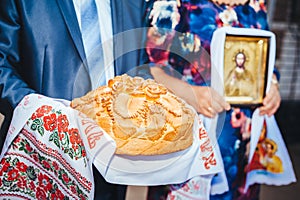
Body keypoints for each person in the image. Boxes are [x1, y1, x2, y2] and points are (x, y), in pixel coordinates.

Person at [0, 0, 151, 199]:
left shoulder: (134, 3)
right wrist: (42, 114)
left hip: (112, 168)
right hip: (43, 161)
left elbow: (138, 69)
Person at [144, 0, 281, 199]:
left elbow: (266, 63)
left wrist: (273, 86)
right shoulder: (173, 4)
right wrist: (192, 94)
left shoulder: (256, 5)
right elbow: (149, 70)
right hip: (188, 146)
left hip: (242, 152)